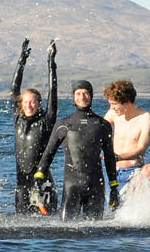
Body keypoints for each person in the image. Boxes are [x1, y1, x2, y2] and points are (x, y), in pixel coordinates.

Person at [34, 80, 120, 221]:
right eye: (78, 93)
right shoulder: (63, 125)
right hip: (72, 186)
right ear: (73, 97)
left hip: (96, 186)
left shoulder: (102, 125)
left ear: (91, 96)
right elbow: (49, 153)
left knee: (95, 233)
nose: (82, 97)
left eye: (86, 93)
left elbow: (109, 157)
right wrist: (39, 176)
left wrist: (114, 187)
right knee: (66, 231)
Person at [10, 38, 58, 215]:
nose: (29, 105)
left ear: (39, 103)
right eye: (26, 102)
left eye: (33, 102)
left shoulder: (47, 120)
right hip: (21, 183)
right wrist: (22, 60)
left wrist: (51, 63)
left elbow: (53, 91)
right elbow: (14, 87)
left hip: (43, 181)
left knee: (48, 223)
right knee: (21, 223)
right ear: (20, 104)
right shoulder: (17, 119)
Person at [103, 80, 150, 186]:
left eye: (114, 104)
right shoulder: (113, 114)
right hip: (111, 171)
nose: (111, 108)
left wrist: (118, 157)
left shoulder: (145, 118)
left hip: (134, 172)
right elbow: (96, 131)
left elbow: (141, 149)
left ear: (126, 102)